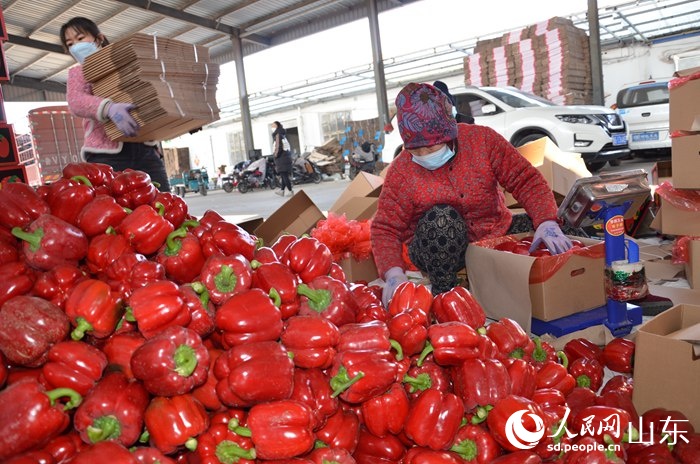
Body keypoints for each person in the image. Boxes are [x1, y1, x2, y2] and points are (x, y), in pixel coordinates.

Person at [371, 82, 572, 307]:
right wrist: (393, 273)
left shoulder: (482, 141)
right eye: (416, 150)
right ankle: (446, 296)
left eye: (431, 147)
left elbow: (525, 180)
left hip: (493, 234)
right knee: (442, 218)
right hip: (438, 250)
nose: (424, 154)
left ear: (450, 132)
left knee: (567, 222)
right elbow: (385, 229)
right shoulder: (402, 171)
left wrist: (546, 221)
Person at [60, 17, 170, 192]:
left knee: (162, 197)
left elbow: (152, 94)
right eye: (70, 43)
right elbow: (75, 101)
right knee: (117, 206)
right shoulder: (79, 72)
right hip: (106, 155)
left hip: (144, 148)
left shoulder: (127, 65)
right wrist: (108, 108)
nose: (76, 46)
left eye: (80, 39)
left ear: (99, 38)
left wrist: (182, 116)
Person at [271, 121, 293, 196]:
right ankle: (282, 190)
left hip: (282, 159)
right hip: (286, 157)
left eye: (273, 126)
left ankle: (290, 191)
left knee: (284, 175)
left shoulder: (278, 135)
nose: (272, 127)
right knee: (284, 175)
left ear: (277, 126)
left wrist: (275, 156)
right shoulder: (283, 135)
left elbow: (278, 147)